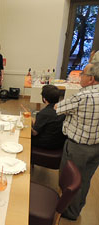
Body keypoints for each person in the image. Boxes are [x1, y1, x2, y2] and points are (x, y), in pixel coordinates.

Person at [55, 62, 99, 221]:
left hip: (78, 147)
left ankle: (66, 211)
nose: (80, 77)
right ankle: (76, 210)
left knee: (71, 181)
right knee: (85, 179)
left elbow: (58, 108)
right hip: (96, 147)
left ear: (91, 79)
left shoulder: (82, 96)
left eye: (83, 74)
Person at [31, 85, 66, 150]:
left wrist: (28, 124)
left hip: (45, 144)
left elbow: (34, 133)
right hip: (60, 144)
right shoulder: (63, 110)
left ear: (44, 99)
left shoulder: (43, 113)